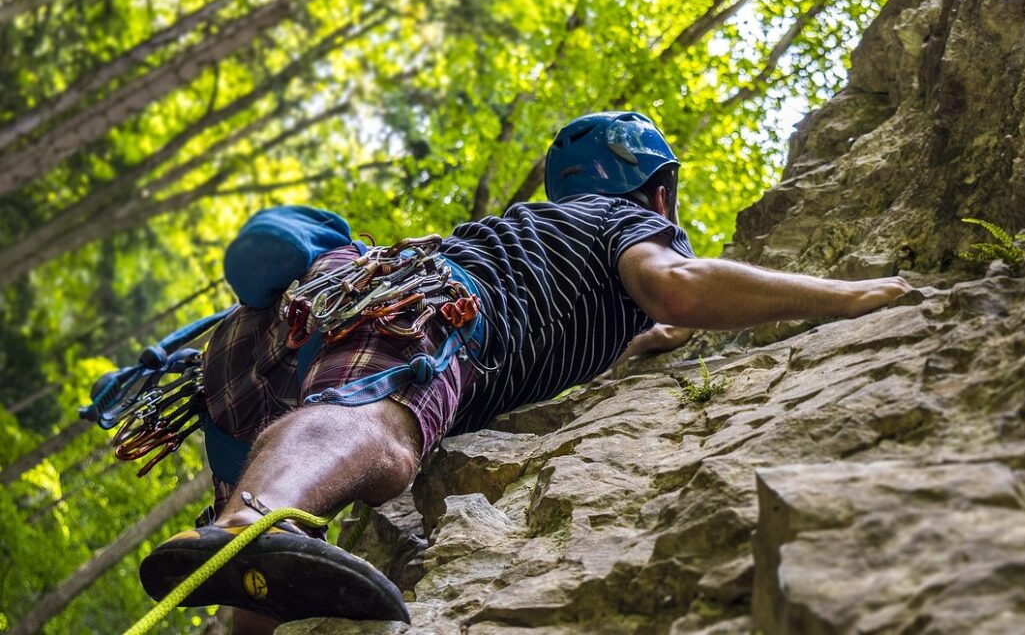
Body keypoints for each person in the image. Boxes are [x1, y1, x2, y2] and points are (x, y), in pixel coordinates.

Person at [140, 111, 912, 633]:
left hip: (261, 347)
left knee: (266, 564)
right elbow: (677, 287)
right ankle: (250, 522)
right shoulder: (625, 221)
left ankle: (244, 555)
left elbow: (619, 331)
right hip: (423, 306)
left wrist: (650, 340)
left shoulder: (546, 244)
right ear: (658, 192)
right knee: (383, 431)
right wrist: (846, 296)